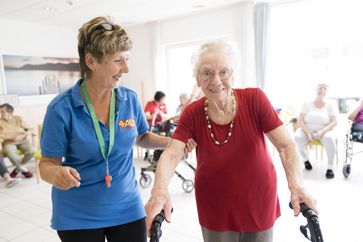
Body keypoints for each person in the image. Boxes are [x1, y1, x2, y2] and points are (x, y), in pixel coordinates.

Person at [38, 16, 195, 242]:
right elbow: (46, 164)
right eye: (118, 60)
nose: (126, 68)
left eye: (127, 59)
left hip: (127, 207)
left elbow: (141, 136)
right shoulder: (61, 109)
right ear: (91, 61)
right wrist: (56, 173)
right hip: (78, 215)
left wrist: (171, 142)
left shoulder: (129, 99)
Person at [145, 40, 316, 242]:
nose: (216, 80)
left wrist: (297, 186)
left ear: (232, 75)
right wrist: (159, 191)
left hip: (258, 199)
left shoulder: (255, 99)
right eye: (207, 73)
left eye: (223, 72)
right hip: (215, 203)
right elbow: (172, 153)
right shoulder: (192, 113)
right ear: (197, 79)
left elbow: (286, 145)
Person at [294, 83, 339, 179]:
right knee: (297, 138)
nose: (322, 90)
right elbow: (300, 120)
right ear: (315, 90)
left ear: (327, 91)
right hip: (307, 129)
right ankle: (305, 160)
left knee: (330, 139)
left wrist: (322, 132)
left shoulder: (331, 104)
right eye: (320, 88)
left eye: (324, 88)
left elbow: (334, 122)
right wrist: (307, 132)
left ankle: (330, 167)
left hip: (325, 130)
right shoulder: (306, 103)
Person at [0, 103, 35, 178]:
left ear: (9, 112)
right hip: (8, 142)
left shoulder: (18, 118)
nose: (1, 114)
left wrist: (23, 135)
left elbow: (31, 129)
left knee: (31, 151)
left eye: (3, 112)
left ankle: (17, 170)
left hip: (22, 140)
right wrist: (10, 137)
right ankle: (24, 170)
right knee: (12, 155)